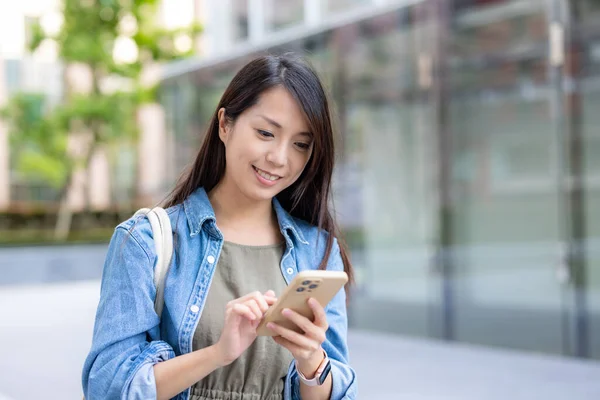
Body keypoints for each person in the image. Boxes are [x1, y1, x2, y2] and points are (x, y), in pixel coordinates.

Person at [82, 53, 357, 400]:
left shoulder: (318, 250)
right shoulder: (146, 243)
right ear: (225, 125)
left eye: (300, 144)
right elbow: (107, 387)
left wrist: (311, 362)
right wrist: (217, 354)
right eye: (266, 133)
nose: (280, 158)